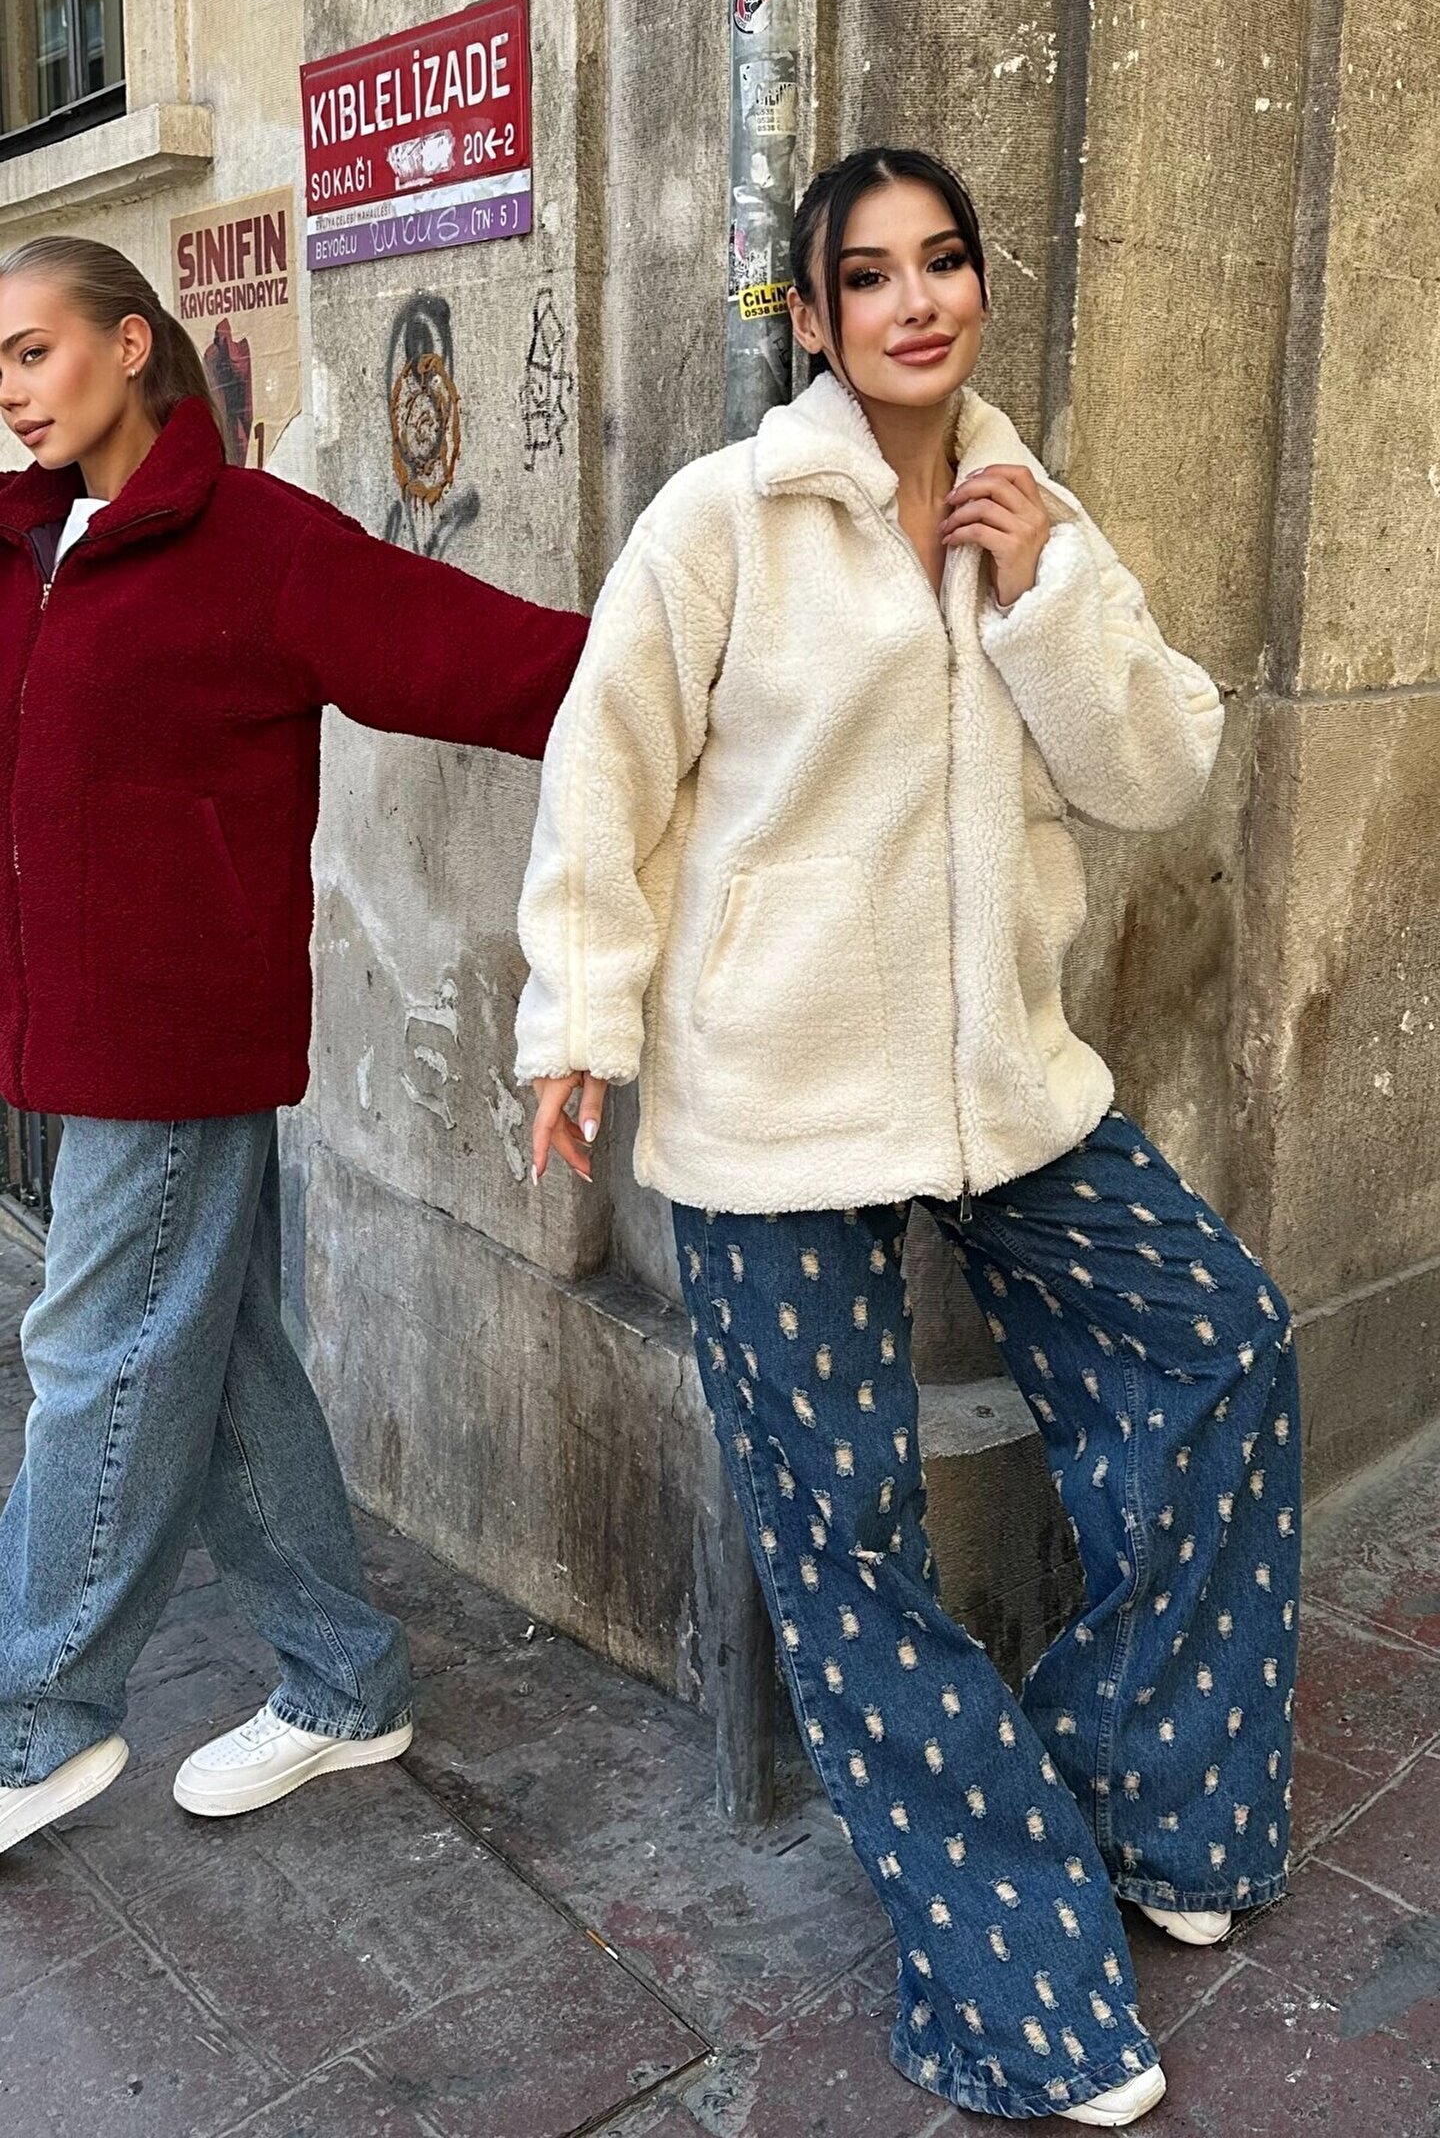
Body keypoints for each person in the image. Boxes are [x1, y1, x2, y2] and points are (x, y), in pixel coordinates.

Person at [516, 148, 1299, 2127]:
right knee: (847, 1542)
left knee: (1221, 1345)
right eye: (866, 275)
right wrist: (579, 1023)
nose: (914, 300)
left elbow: (1158, 767)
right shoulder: (723, 520)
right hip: (775, 1098)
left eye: (942, 262)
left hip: (1001, 1081)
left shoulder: (1029, 511)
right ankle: (1025, 1985)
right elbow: (605, 773)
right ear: (810, 316)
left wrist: (1043, 596)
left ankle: (1148, 1799)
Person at [0, 237, 587, 1854]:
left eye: (34, 351)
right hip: (69, 1036)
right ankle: (343, 1678)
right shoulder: (26, 547)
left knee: (96, 1360)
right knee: (222, 1362)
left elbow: (472, 651)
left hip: (177, 1041)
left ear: (132, 346)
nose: (12, 390)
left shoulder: (253, 540)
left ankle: (35, 1719)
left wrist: (692, 679)